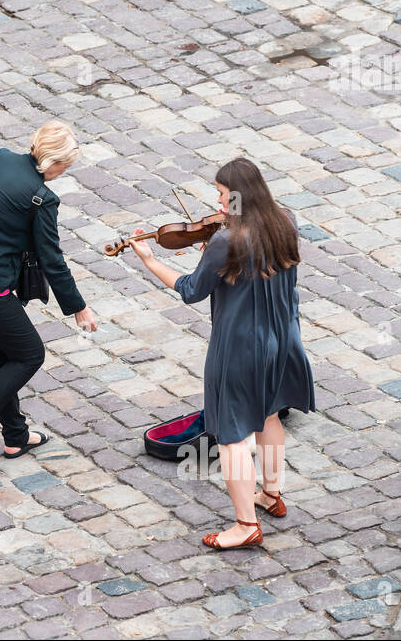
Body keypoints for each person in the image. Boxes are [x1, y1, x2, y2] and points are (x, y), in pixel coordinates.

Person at [128, 157, 315, 549]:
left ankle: (246, 525)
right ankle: (271, 494)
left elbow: (191, 289)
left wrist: (149, 259)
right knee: (268, 415)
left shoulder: (225, 241)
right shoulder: (286, 221)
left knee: (230, 436)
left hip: (239, 348)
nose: (216, 201)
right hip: (283, 337)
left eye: (221, 194)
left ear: (238, 196)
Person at [0, 121, 99, 461]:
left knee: (3, 356)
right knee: (29, 355)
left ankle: (16, 435)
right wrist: (79, 308)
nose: (64, 171)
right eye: (65, 165)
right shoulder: (42, 198)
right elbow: (53, 261)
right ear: (54, 162)